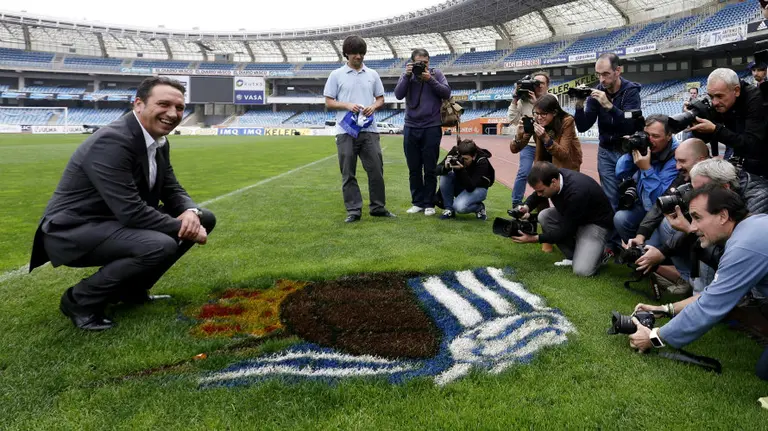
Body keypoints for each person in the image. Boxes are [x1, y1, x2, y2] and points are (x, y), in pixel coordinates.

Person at [28, 76, 215, 331]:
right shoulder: (113, 141)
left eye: (179, 108)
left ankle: (131, 291)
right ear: (138, 104)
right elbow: (132, 212)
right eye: (163, 104)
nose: (173, 114)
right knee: (158, 245)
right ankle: (80, 300)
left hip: (111, 220)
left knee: (205, 217)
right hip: (73, 229)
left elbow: (171, 187)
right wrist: (184, 227)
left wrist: (191, 214)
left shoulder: (157, 140)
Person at [629, 185, 768, 381]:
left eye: (697, 217)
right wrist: (666, 308)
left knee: (765, 372)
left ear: (722, 216)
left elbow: (711, 306)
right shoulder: (750, 229)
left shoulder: (745, 245)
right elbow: (712, 294)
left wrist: (654, 338)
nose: (692, 227)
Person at [324, 35, 394, 223]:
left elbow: (380, 98)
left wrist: (374, 105)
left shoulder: (372, 74)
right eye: (355, 53)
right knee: (348, 172)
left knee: (376, 170)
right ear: (346, 53)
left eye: (362, 53)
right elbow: (329, 102)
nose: (359, 56)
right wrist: (347, 105)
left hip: (369, 129)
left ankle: (378, 207)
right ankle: (353, 210)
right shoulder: (336, 75)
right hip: (345, 130)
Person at [627, 138, 710, 288]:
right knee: (667, 221)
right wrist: (640, 235)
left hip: (718, 244)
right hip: (696, 236)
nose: (677, 167)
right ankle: (689, 280)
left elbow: (709, 231)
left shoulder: (717, 183)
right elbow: (662, 204)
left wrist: (662, 252)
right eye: (676, 161)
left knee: (681, 231)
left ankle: (704, 290)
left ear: (701, 160)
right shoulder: (686, 177)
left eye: (682, 161)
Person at [510, 162, 614, 276]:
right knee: (544, 216)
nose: (539, 194)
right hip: (574, 215)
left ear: (554, 182)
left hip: (596, 223)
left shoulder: (576, 193)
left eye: (541, 191)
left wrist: (534, 238)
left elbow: (565, 231)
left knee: (582, 271)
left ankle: (601, 253)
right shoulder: (554, 177)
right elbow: (537, 194)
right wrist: (526, 207)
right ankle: (573, 255)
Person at [573, 52, 642, 211]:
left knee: (629, 196)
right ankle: (612, 236)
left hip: (627, 151)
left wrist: (609, 106)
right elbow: (583, 126)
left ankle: (630, 232)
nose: (602, 80)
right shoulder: (596, 93)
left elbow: (630, 123)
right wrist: (579, 105)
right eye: (598, 75)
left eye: (606, 74)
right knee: (610, 198)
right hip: (606, 151)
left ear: (618, 71)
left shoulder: (631, 91)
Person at [394, 48, 451, 217]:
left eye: (425, 62)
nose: (422, 65)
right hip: (411, 126)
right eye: (419, 62)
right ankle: (417, 202)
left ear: (429, 62)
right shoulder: (407, 76)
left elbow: (446, 92)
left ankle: (429, 203)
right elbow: (398, 94)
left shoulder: (436, 74)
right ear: (411, 63)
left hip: (431, 127)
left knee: (430, 167)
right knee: (414, 168)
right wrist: (406, 76)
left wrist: (430, 79)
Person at [687, 68, 768, 178]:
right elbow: (706, 138)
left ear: (737, 91)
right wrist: (698, 126)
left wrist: (715, 130)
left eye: (719, 96)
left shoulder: (755, 100)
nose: (715, 102)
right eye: (711, 97)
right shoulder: (724, 102)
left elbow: (752, 144)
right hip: (745, 161)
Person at [613, 114, 679, 243]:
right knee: (620, 219)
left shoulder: (676, 156)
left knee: (651, 245)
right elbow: (620, 173)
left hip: (663, 212)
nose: (649, 140)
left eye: (655, 136)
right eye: (647, 135)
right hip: (644, 204)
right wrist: (632, 149)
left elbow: (660, 200)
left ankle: (656, 253)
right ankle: (636, 249)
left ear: (669, 135)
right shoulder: (648, 148)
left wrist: (646, 169)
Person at [508, 71, 551, 207]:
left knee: (544, 176)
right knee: (523, 172)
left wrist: (536, 103)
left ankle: (541, 206)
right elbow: (512, 119)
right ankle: (516, 203)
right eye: (535, 83)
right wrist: (515, 98)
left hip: (545, 143)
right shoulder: (523, 100)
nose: (538, 86)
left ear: (547, 86)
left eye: (541, 84)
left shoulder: (552, 99)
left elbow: (554, 122)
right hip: (528, 143)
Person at [512, 94, 582, 171]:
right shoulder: (536, 121)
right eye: (537, 113)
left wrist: (546, 139)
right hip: (544, 168)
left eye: (543, 114)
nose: (539, 117)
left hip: (565, 168)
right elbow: (514, 149)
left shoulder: (566, 121)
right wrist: (518, 136)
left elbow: (563, 154)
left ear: (554, 112)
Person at [435, 139, 494, 220]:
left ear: (473, 156)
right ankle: (449, 209)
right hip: (462, 185)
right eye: (462, 158)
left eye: (466, 159)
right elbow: (436, 170)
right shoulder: (456, 151)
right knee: (445, 175)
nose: (463, 161)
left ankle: (479, 207)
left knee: (459, 207)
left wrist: (462, 170)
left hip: (478, 188)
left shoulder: (482, 161)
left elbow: (471, 187)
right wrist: (445, 167)